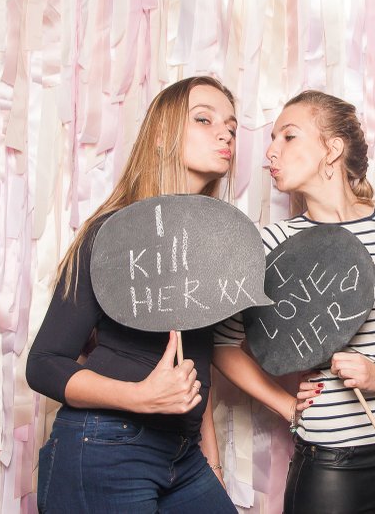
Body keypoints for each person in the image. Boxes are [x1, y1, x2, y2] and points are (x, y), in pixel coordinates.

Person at [212, 90, 375, 513]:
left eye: (288, 136)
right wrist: (286, 405)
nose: (271, 152)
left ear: (333, 149)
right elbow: (222, 344)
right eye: (272, 139)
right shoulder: (269, 247)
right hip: (333, 462)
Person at [26, 76, 240, 514]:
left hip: (182, 455)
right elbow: (43, 363)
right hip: (105, 446)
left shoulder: (208, 246)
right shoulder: (113, 233)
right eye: (204, 120)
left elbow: (193, 364)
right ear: (161, 135)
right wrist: (141, 396)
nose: (225, 135)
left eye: (232, 127)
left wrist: (211, 461)